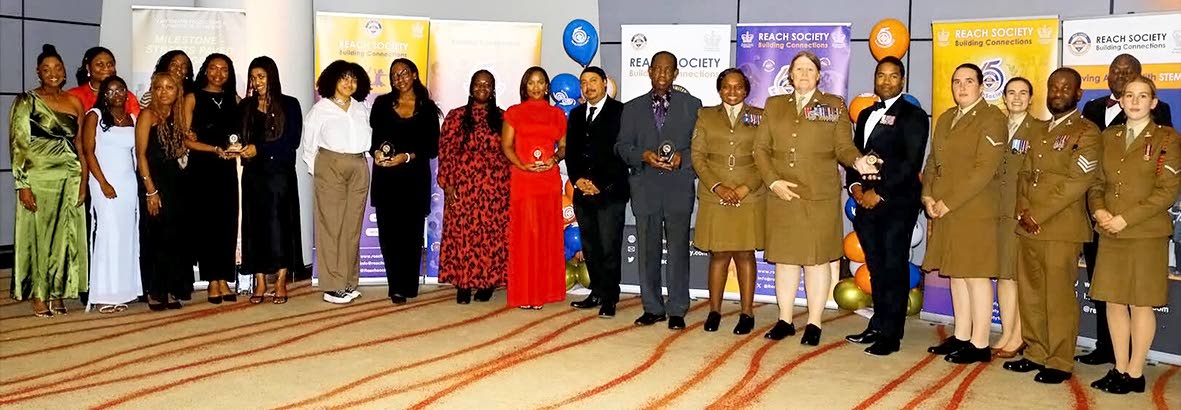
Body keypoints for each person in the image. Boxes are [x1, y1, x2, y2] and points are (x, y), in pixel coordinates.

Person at [753, 51, 878, 345]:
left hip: (818, 195)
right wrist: (772, 182)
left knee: (816, 261)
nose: (804, 74)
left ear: (819, 75)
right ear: (790, 75)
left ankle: (814, 322)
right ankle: (785, 319)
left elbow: (844, 148)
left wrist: (859, 162)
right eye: (799, 69)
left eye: (810, 69)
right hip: (782, 194)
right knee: (785, 260)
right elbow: (760, 149)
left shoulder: (833, 106)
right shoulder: (773, 105)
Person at [1002, 67, 1100, 382]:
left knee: (1057, 298)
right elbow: (1024, 174)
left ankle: (1058, 361)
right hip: (1028, 226)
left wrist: (1037, 214)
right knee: (1030, 295)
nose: (1058, 91)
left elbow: (1077, 182)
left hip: (1061, 229)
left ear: (1078, 93)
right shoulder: (1038, 130)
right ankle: (1035, 352)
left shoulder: (1087, 132)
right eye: (1053, 86)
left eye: (1065, 87)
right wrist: (1022, 210)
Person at [1077, 53, 1173, 366]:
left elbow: (1167, 191)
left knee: (1141, 304)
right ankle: (1118, 367)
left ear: (1153, 103)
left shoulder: (1168, 139)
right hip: (1109, 231)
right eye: (1129, 96)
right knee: (1114, 302)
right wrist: (1100, 212)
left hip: (1144, 233)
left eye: (1142, 96)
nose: (1134, 101)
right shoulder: (1109, 137)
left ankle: (1134, 372)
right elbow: (1096, 181)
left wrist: (1124, 219)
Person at [842, 57, 930, 355]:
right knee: (877, 267)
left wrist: (879, 192)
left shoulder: (914, 116)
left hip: (896, 203)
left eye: (894, 76)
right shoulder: (866, 114)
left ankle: (892, 334)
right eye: (882, 76)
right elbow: (855, 155)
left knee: (894, 267)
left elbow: (910, 162)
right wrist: (855, 187)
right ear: (875, 79)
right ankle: (877, 324)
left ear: (902, 81)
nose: (887, 81)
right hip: (864, 204)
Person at [921, 63, 1007, 363]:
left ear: (982, 86)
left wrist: (949, 201)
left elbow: (984, 169)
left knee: (976, 276)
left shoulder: (992, 118)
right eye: (957, 81)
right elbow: (933, 162)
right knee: (956, 273)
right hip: (945, 208)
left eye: (969, 81)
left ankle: (980, 343)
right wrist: (928, 195)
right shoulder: (946, 118)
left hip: (975, 209)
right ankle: (962, 335)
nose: (962, 87)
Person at [616, 51, 702, 330]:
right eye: (658, 69)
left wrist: (682, 159)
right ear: (649, 72)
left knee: (678, 251)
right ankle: (652, 307)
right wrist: (642, 155)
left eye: (669, 70)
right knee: (647, 251)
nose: (663, 75)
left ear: (676, 73)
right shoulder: (631, 108)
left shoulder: (693, 105)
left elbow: (701, 147)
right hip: (646, 188)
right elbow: (621, 146)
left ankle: (677, 308)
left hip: (677, 188)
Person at [9, 44, 89, 317]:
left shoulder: (75, 102)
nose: (53, 73)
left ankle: (58, 291)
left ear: (65, 72)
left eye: (58, 68)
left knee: (65, 235)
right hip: (38, 175)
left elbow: (80, 145)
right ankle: (39, 294)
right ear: (38, 72)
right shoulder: (25, 101)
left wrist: (83, 180)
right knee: (39, 236)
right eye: (47, 69)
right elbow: (18, 145)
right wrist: (23, 185)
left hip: (70, 173)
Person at [691, 68, 765, 334]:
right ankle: (714, 311)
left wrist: (746, 187)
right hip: (715, 194)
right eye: (726, 87)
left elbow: (766, 158)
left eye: (738, 87)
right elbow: (698, 157)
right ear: (719, 89)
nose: (732, 91)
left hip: (749, 194)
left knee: (745, 254)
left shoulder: (759, 116)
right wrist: (718, 186)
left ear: (746, 90)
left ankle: (747, 313)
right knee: (719, 254)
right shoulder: (706, 115)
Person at [370, 58, 441, 305]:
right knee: (389, 235)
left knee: (410, 236)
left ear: (414, 74)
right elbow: (375, 140)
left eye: (403, 73)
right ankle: (395, 286)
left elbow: (431, 148)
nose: (399, 78)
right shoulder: (381, 105)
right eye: (394, 75)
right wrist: (377, 154)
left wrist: (407, 156)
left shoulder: (428, 108)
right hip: (386, 178)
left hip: (414, 178)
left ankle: (409, 284)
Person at [301, 60, 372, 304]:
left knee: (352, 228)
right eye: (344, 78)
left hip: (359, 165)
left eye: (353, 78)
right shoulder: (321, 109)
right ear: (332, 80)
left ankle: (348, 281)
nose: (349, 83)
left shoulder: (361, 108)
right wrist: (318, 172)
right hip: (330, 166)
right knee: (332, 227)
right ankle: (332, 286)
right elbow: (309, 146)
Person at [437, 70, 510, 304]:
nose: (482, 88)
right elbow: (446, 152)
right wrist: (447, 184)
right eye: (478, 84)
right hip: (463, 187)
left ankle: (487, 283)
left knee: (490, 237)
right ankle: (463, 283)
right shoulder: (455, 117)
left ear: (493, 89)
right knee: (463, 236)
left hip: (494, 188)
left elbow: (510, 152)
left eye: (487, 84)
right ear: (470, 88)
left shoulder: (503, 118)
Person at [501, 66, 568, 309]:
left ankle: (542, 292)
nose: (536, 87)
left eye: (540, 82)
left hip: (548, 180)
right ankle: (524, 293)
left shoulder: (557, 115)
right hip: (523, 179)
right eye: (531, 82)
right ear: (524, 87)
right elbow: (506, 146)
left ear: (547, 87)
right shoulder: (514, 113)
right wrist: (523, 165)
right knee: (525, 235)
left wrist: (555, 159)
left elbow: (563, 146)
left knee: (545, 235)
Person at [239, 56, 303, 305]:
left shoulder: (290, 104)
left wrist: (260, 149)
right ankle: (260, 281)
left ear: (272, 77)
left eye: (261, 76)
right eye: (253, 77)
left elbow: (292, 141)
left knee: (280, 226)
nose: (257, 82)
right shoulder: (245, 106)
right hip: (253, 175)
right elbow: (235, 136)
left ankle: (280, 280)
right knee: (254, 227)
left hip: (280, 174)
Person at [566, 66, 628, 318]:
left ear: (604, 84)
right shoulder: (577, 114)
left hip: (610, 191)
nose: (588, 86)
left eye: (593, 81)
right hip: (582, 191)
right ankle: (597, 291)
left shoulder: (621, 112)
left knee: (609, 246)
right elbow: (571, 152)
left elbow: (622, 153)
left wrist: (599, 183)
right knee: (590, 245)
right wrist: (578, 180)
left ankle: (610, 296)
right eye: (583, 82)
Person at [182, 53, 241, 304]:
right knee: (207, 224)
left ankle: (225, 278)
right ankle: (211, 281)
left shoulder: (235, 99)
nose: (218, 73)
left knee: (227, 223)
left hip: (227, 168)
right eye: (214, 68)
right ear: (205, 70)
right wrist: (214, 149)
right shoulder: (192, 98)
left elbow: (243, 133)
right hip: (202, 168)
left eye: (224, 69)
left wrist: (235, 149)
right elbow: (186, 139)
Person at [81, 75, 142, 313]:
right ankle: (103, 293)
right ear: (103, 94)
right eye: (111, 91)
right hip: (103, 181)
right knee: (108, 233)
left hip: (128, 183)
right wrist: (103, 182)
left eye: (121, 90)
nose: (116, 94)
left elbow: (136, 155)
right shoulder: (94, 116)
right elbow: (88, 152)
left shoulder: (133, 118)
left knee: (127, 234)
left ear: (127, 94)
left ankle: (123, 291)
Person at [991, 77, 1041, 358]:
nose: (1017, 97)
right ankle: (1007, 331)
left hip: (1019, 213)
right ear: (1004, 97)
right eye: (1011, 93)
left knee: (1019, 277)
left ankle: (1020, 334)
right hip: (995, 212)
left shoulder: (1038, 130)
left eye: (1023, 92)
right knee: (1004, 276)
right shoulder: (997, 126)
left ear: (1031, 97)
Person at [137, 71, 194, 310]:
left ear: (177, 90)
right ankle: (155, 290)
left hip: (177, 183)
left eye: (169, 87)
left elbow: (179, 151)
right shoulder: (147, 115)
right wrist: (150, 190)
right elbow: (140, 155)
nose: (163, 91)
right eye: (158, 87)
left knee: (175, 238)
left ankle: (173, 288)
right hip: (155, 183)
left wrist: (188, 140)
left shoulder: (178, 116)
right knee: (156, 237)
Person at [67, 46, 140, 114]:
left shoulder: (127, 96)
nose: (106, 68)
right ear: (88, 68)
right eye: (100, 64)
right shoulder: (74, 96)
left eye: (110, 64)